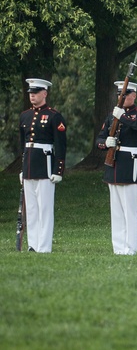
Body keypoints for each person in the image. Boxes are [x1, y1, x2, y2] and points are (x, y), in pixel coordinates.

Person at [97, 81, 137, 255]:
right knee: (117, 210)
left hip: (130, 164)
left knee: (130, 210)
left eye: (125, 94)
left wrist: (123, 117)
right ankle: (119, 247)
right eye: (119, 94)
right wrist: (106, 143)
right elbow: (100, 138)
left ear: (133, 96)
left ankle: (131, 247)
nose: (121, 97)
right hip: (113, 163)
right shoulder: (111, 116)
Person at [19, 78, 67, 253]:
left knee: (44, 208)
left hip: (45, 164)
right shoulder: (25, 115)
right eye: (31, 93)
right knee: (31, 208)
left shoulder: (54, 116)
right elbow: (22, 145)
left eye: (36, 92)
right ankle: (33, 244)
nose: (32, 95)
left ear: (45, 93)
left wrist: (58, 169)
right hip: (29, 165)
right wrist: (22, 169)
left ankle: (44, 246)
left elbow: (61, 145)